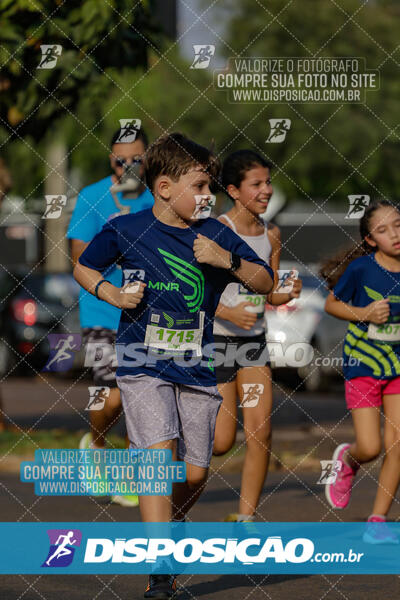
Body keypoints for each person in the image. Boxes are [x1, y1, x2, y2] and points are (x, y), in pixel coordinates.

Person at [73, 132, 274, 598]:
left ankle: (170, 528)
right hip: (141, 361)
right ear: (165, 188)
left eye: (210, 188)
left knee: (197, 472)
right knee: (156, 458)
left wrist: (225, 259)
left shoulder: (216, 234)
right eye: (201, 186)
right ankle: (159, 572)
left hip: (198, 367)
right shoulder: (128, 228)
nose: (208, 196)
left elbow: (263, 282)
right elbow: (86, 266)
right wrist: (113, 294)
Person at [212, 150, 302, 522]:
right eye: (257, 184)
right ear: (234, 190)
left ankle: (246, 520)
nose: (266, 190)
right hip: (214, 342)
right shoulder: (216, 230)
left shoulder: (271, 234)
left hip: (253, 346)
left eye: (268, 182)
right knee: (219, 443)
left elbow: (268, 290)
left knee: (260, 432)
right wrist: (226, 311)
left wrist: (287, 292)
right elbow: (191, 292)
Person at [67, 126, 153, 508]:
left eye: (136, 159)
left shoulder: (160, 197)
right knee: (113, 396)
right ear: (110, 159)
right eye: (121, 160)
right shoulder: (92, 197)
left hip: (149, 314)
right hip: (102, 311)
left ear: (148, 158)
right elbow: (80, 263)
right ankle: (97, 443)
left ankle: (131, 476)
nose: (128, 166)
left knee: (141, 395)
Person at [320, 200, 400, 545]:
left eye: (398, 225)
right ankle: (348, 460)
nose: (394, 234)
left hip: (398, 365)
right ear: (370, 240)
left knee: (397, 445)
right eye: (383, 230)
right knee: (370, 446)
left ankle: (377, 519)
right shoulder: (362, 270)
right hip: (363, 364)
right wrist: (364, 314)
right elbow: (331, 304)